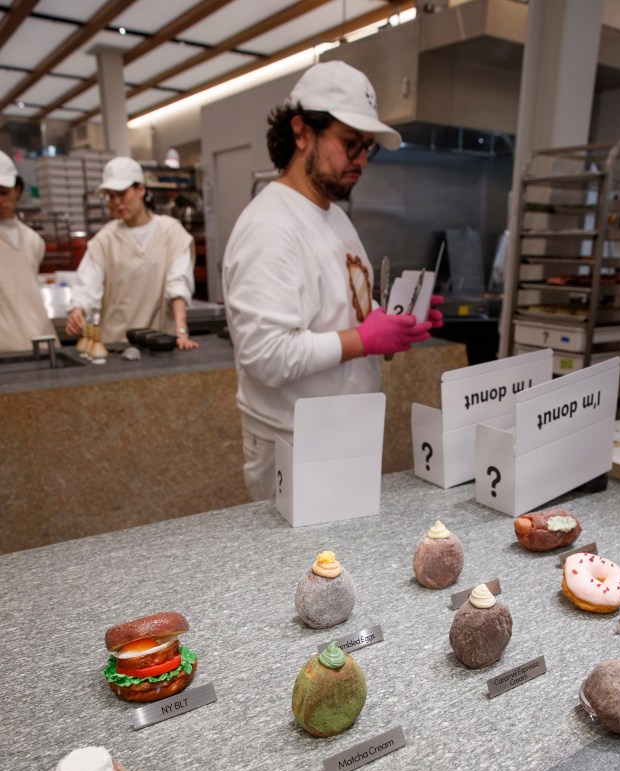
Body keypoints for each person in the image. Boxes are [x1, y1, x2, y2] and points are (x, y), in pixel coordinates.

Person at [223, 61, 443, 500]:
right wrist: (365, 339)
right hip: (294, 442)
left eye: (367, 148)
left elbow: (344, 311)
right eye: (350, 143)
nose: (361, 160)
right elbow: (267, 356)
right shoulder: (270, 225)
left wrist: (392, 322)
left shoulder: (335, 218)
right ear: (302, 132)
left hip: (345, 432)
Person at [66, 156, 198, 350]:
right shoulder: (105, 240)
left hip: (161, 344)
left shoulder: (171, 233)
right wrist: (78, 310)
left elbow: (178, 284)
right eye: (111, 196)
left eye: (122, 194)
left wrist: (181, 331)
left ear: (141, 189)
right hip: (117, 345)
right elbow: (87, 286)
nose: (117, 202)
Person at [0, 150, 56, 353]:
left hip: (42, 341)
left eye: (4, 192)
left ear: (18, 190)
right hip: (5, 348)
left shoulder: (34, 241)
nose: (0, 200)